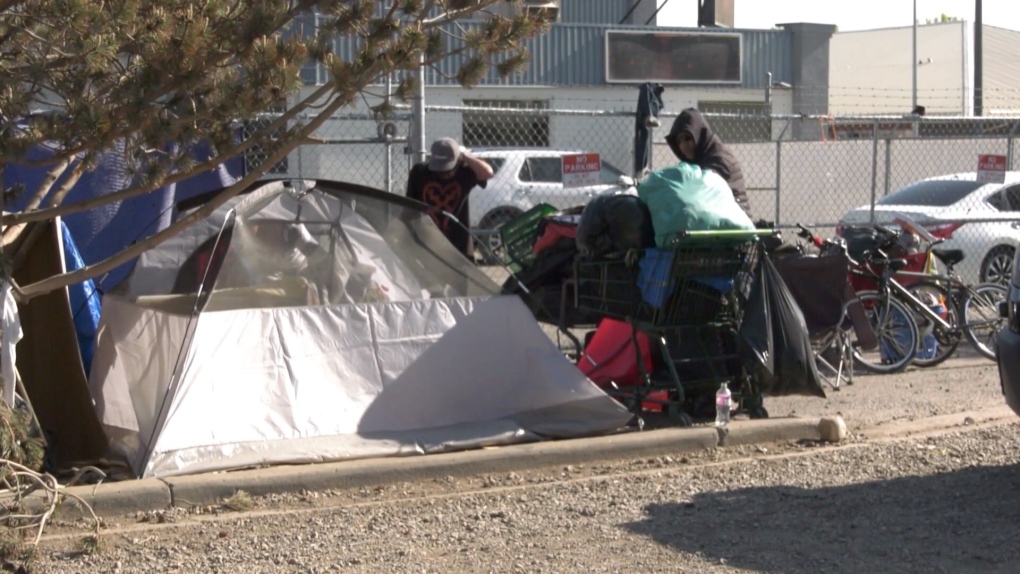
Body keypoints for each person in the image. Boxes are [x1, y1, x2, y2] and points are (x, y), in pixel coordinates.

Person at [406, 138, 494, 259]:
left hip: (458, 245)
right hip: (428, 242)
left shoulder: (464, 172)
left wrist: (464, 155)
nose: (444, 174)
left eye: (448, 169)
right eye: (440, 170)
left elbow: (487, 173)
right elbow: (408, 209)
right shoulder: (420, 172)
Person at [664, 108, 753, 218]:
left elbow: (703, 186)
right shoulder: (698, 160)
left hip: (735, 226)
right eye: (678, 141)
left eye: (687, 138)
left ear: (698, 134)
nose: (683, 145)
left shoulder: (720, 157)